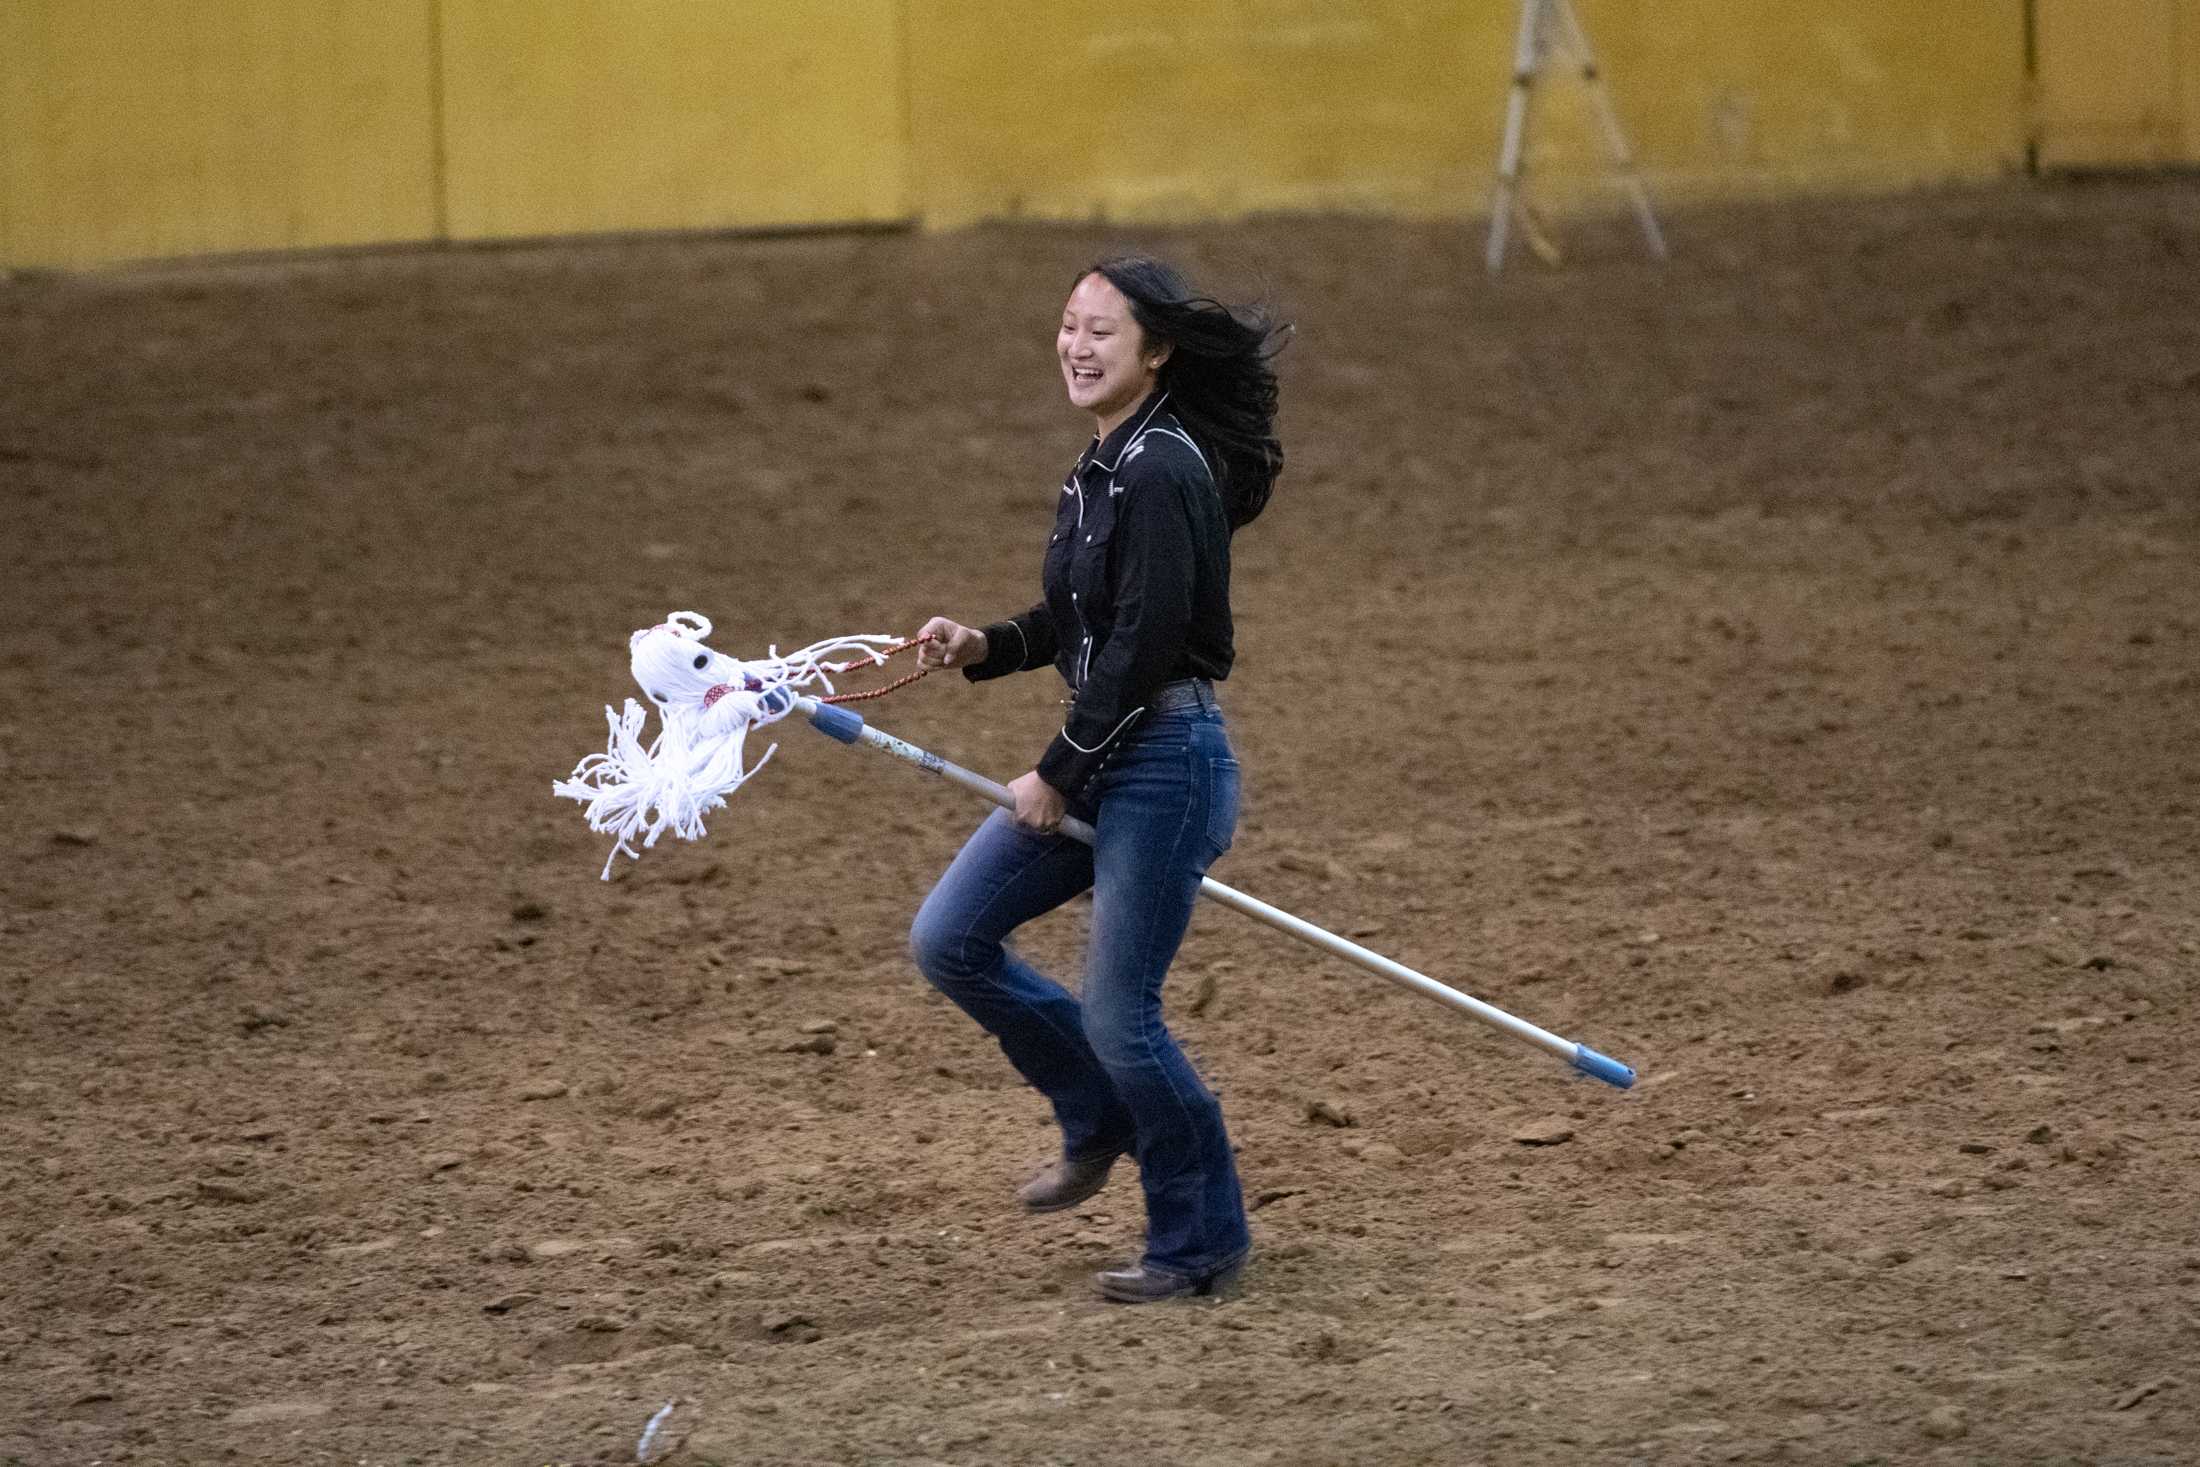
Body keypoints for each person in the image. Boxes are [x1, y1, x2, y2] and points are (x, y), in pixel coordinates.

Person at [910, 254, 1286, 1303]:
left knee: (1125, 1016)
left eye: (1101, 332)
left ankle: (1202, 1241)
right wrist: (983, 643)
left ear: (1155, 351)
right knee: (950, 940)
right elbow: (1082, 623)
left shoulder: (1161, 468)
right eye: (1068, 325)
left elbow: (1143, 646)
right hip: (1113, 745)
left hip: (1165, 766)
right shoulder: (1105, 465)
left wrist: (1059, 773)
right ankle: (1103, 1115)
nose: (1076, 346)